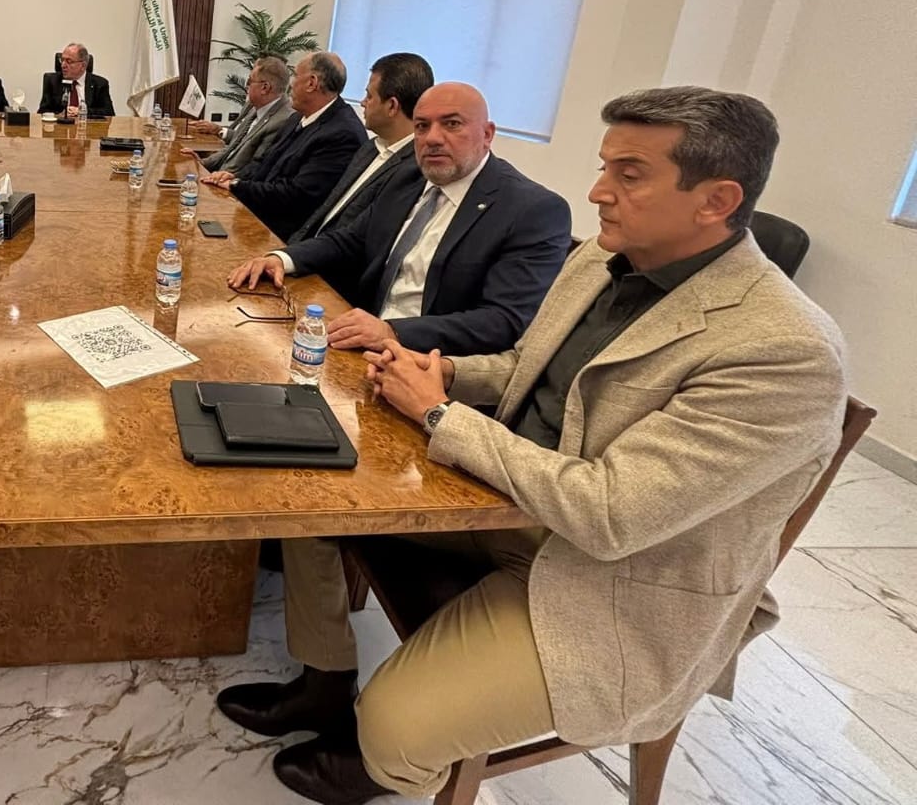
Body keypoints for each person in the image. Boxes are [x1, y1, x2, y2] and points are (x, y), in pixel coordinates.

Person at [216, 87, 848, 805]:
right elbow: (526, 365)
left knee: (394, 729)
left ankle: (383, 761)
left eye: (629, 175)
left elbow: (611, 514)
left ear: (717, 200)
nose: (598, 191)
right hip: (509, 501)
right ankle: (324, 682)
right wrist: (444, 373)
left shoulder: (785, 351)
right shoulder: (606, 258)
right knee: (309, 490)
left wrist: (440, 414)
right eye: (605, 167)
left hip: (611, 579)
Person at [230, 82, 571, 351]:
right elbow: (349, 239)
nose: (432, 138)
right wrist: (281, 259)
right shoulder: (407, 178)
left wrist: (393, 332)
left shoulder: (532, 210)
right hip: (360, 339)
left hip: (430, 364)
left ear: (487, 134)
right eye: (422, 126)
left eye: (452, 124)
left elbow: (503, 320)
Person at [200, 52, 366, 241]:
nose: (290, 84)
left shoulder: (341, 134)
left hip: (278, 235)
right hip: (256, 214)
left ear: (312, 83)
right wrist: (234, 177)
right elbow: (264, 161)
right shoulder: (297, 117)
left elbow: (296, 196)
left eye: (295, 76)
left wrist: (237, 186)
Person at [286, 53, 433, 246]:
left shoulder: (412, 171)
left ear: (392, 106)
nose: (362, 102)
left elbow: (357, 242)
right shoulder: (369, 148)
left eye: (369, 96)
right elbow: (324, 214)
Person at [193, 56, 295, 174]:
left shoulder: (282, 120)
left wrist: (217, 178)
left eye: (250, 81)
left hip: (230, 181)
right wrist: (201, 163)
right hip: (219, 175)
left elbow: (255, 168)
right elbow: (231, 150)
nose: (246, 86)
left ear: (265, 87)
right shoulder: (256, 108)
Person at [36, 43, 115, 118]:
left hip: (88, 126)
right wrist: (60, 114)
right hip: (60, 126)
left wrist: (83, 111)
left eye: (69, 61)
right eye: (62, 60)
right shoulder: (52, 81)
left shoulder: (100, 84)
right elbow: (43, 111)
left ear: (83, 66)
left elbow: (108, 112)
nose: (63, 65)